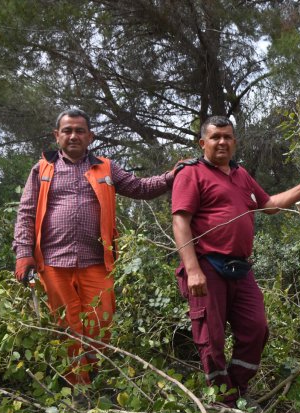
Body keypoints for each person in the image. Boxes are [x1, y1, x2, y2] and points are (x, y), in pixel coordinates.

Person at [13, 108, 186, 387]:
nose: (73, 136)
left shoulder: (105, 167)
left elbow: (139, 188)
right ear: (56, 136)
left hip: (97, 261)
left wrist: (170, 177)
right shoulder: (42, 169)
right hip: (53, 263)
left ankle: (93, 378)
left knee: (100, 323)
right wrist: (23, 254)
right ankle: (77, 389)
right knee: (67, 327)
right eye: (67, 130)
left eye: (80, 130)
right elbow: (26, 212)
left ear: (90, 136)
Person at [171, 116, 300, 407]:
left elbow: (270, 206)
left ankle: (237, 391)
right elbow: (180, 223)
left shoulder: (241, 175)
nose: (222, 142)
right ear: (203, 143)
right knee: (211, 339)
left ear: (234, 141)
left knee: (256, 328)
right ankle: (221, 401)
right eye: (215, 137)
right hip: (206, 267)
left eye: (227, 137)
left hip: (240, 269)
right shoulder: (191, 174)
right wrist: (192, 270)